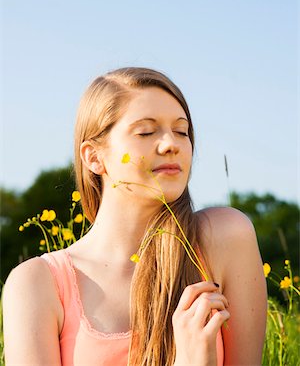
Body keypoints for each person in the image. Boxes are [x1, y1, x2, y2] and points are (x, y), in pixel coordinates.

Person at [3, 67, 267, 366]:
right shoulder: (37, 283)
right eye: (145, 131)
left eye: (181, 131)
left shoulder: (225, 237)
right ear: (93, 157)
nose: (171, 144)